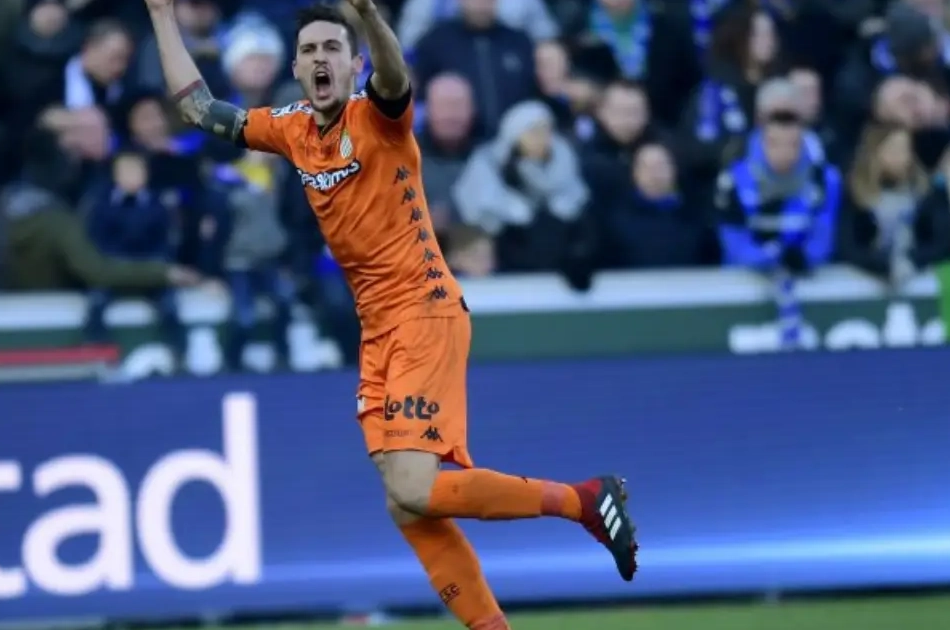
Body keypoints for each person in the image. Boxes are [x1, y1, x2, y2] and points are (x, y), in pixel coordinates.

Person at [144, 1, 638, 627]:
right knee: (406, 505)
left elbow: (396, 77)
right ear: (295, 68)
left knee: (413, 487)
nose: (321, 59)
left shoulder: (379, 117)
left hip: (423, 309)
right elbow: (198, 109)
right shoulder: (290, 128)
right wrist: (161, 14)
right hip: (377, 328)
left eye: (333, 48)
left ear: (353, 64)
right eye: (309, 50)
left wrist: (370, 17)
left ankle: (583, 501)